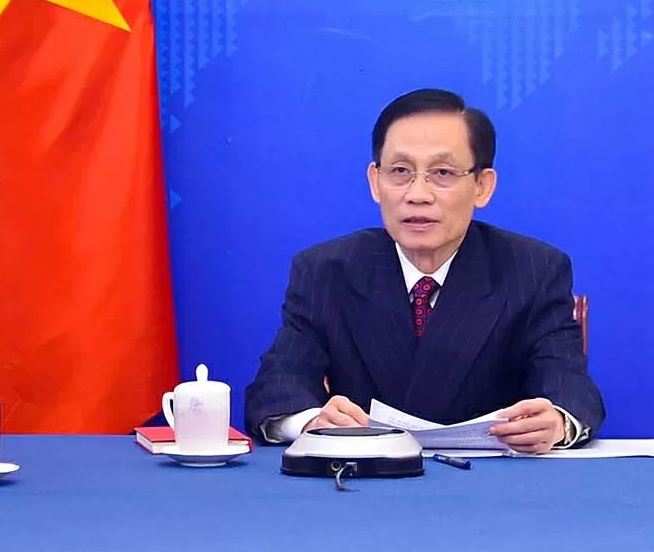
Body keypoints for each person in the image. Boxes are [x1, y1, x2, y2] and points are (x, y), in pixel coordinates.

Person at [243, 88, 601, 453]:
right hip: (362, 486)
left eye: (442, 172)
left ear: (482, 185)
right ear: (374, 182)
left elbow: (568, 382)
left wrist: (557, 421)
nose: (418, 194)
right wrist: (311, 422)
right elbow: (277, 386)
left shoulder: (534, 270)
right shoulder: (326, 270)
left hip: (491, 491)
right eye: (400, 171)